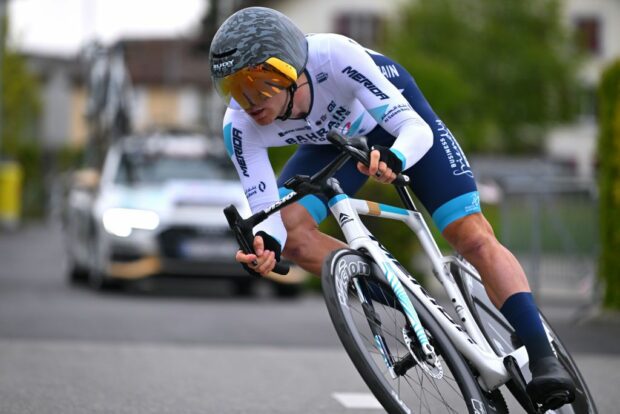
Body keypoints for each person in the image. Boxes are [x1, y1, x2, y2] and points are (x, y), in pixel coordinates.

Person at [209, 6, 575, 408]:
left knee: (468, 234)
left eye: (257, 86)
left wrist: (397, 157)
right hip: (330, 142)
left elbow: (414, 129)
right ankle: (417, 308)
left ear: (290, 71)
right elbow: (268, 211)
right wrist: (265, 243)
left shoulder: (334, 57)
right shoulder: (240, 129)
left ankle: (543, 355)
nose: (247, 102)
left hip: (393, 123)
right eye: (233, 90)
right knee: (292, 235)